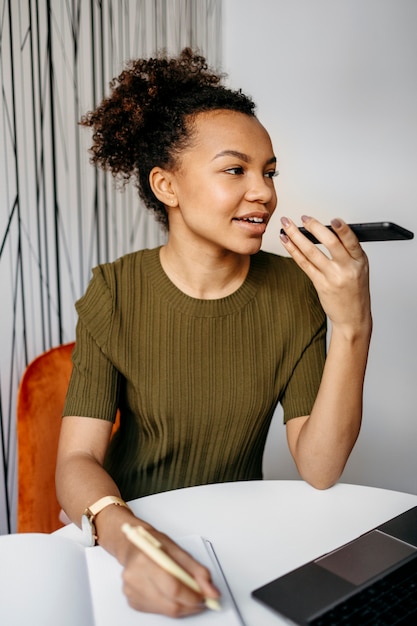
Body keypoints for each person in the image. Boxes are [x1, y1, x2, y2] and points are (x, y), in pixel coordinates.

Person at [55, 48, 372, 618]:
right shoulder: (116, 290)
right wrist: (130, 538)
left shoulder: (296, 293)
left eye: (269, 171)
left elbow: (319, 468)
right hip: (127, 528)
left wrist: (353, 323)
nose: (265, 192)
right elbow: (76, 459)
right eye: (236, 170)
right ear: (167, 186)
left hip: (240, 532)